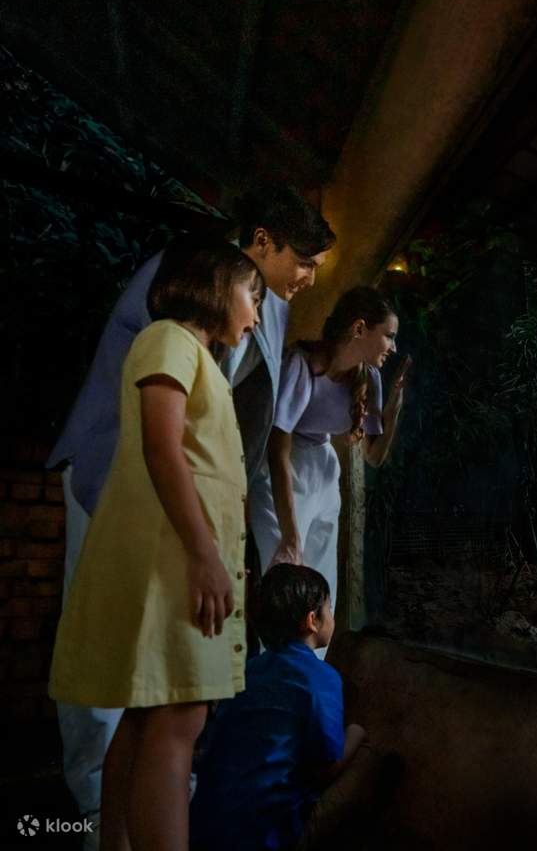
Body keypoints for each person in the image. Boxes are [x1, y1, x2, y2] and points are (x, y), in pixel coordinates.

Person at [44, 187, 334, 845]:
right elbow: (160, 436)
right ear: (259, 243)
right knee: (130, 674)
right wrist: (204, 545)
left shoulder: (256, 309)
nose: (309, 278)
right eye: (305, 260)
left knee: (152, 703)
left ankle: (130, 810)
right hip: (127, 494)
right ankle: (93, 806)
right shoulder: (186, 295)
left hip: (187, 526)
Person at [48, 241, 264, 851]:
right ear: (216, 287)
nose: (254, 315)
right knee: (180, 720)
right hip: (179, 567)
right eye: (252, 294)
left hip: (184, 565)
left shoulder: (196, 356)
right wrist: (204, 556)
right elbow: (163, 449)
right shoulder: (169, 339)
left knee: (149, 716)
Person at [250, 287, 408, 654]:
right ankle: (273, 682)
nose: (393, 347)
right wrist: (290, 537)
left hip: (323, 472)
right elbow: (277, 449)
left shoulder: (370, 379)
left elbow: (373, 456)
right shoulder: (302, 365)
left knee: (322, 588)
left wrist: (393, 412)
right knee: (285, 588)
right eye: (389, 335)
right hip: (284, 476)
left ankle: (311, 676)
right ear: (359, 329)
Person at [189, 564, 366, 851]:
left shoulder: (247, 672)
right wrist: (356, 733)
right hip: (262, 832)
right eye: (329, 608)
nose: (332, 616)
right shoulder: (320, 677)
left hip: (202, 824)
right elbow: (329, 763)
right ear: (313, 620)